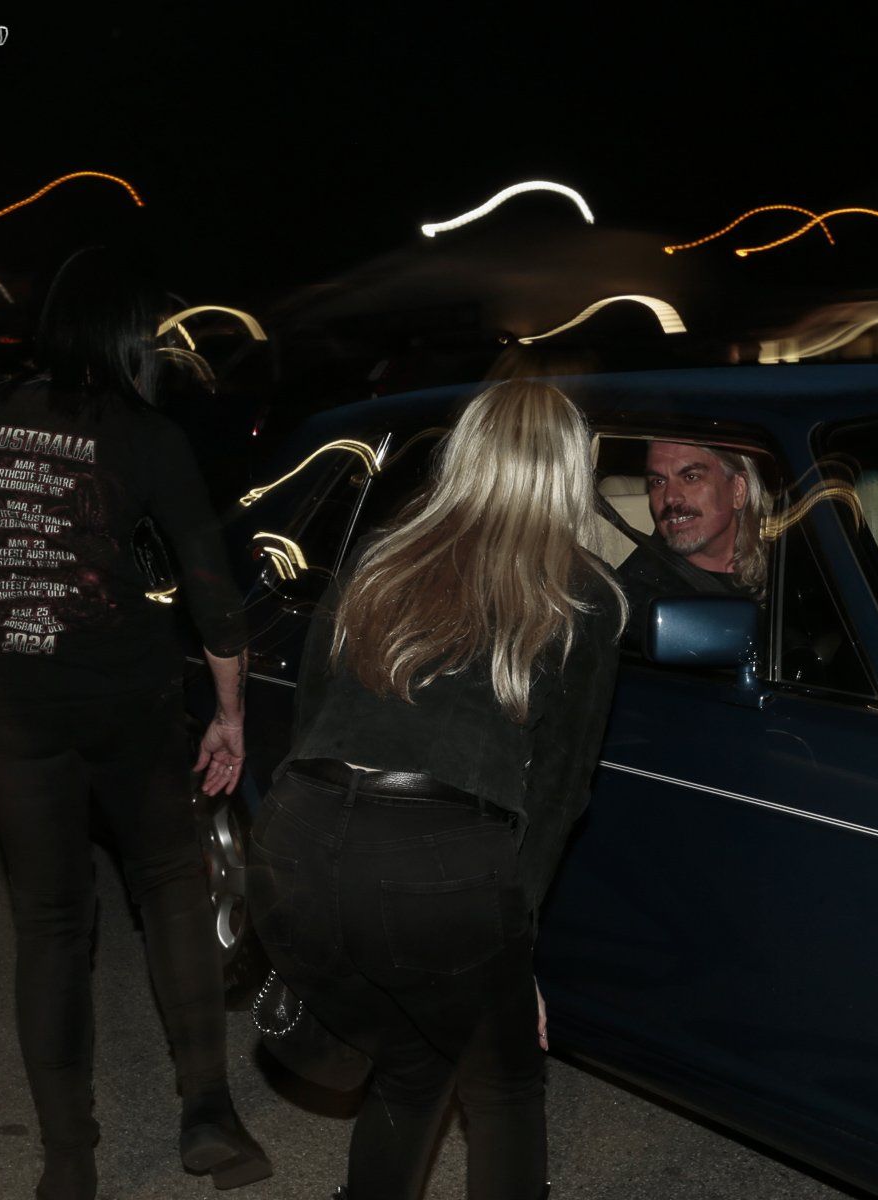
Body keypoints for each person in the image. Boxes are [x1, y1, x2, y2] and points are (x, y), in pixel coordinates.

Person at [0, 248, 270, 1200]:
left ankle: (68, 1159)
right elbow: (210, 588)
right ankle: (210, 1117)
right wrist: (230, 713)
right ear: (129, 334)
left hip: (17, 704)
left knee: (49, 922)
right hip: (128, 702)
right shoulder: (147, 433)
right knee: (169, 889)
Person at [247, 379, 626, 1200]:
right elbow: (559, 794)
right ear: (571, 471)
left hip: (296, 835)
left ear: (466, 453)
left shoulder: (382, 556)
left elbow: (310, 717)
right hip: (437, 862)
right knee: (505, 1086)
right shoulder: (582, 595)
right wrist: (513, 946)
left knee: (415, 1060)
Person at [613, 440, 768, 642]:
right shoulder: (640, 593)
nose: (670, 498)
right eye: (658, 482)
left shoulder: (787, 562)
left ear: (738, 490)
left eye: (690, 477)